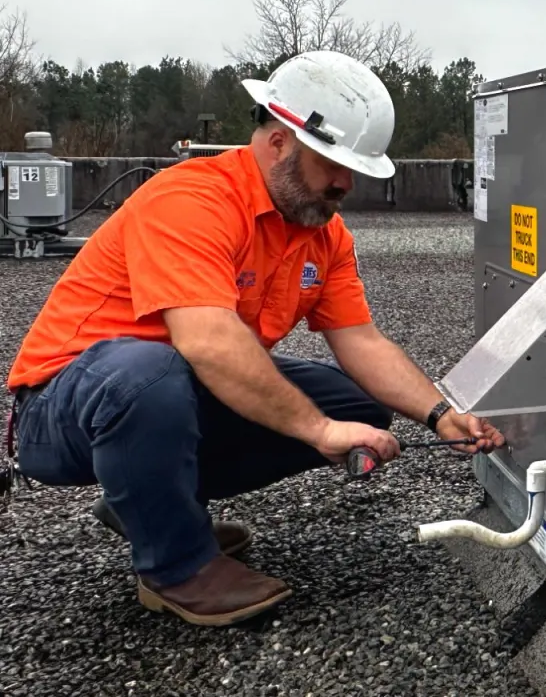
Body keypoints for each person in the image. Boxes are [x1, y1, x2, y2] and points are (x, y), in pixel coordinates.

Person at [2, 50, 506, 627]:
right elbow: (209, 341)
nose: (347, 183)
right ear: (279, 143)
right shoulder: (190, 200)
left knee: (355, 404)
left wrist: (440, 413)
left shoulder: (323, 233)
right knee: (150, 374)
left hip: (163, 391)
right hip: (61, 407)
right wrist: (317, 431)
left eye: (355, 168)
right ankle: (176, 567)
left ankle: (152, 503)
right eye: (333, 164)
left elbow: (360, 339)